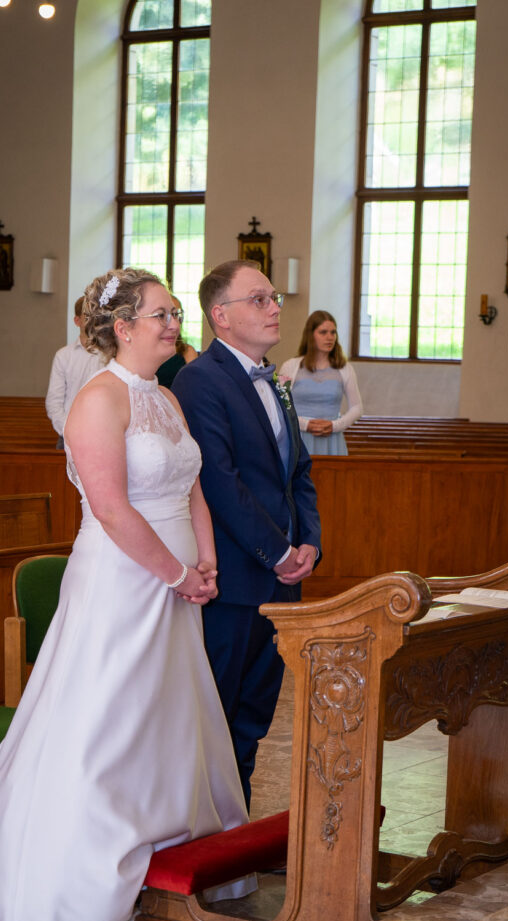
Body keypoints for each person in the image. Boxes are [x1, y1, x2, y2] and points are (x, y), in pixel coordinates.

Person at [0, 267, 250, 921]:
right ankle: (78, 880)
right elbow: (112, 509)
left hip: (178, 586)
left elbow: (192, 487)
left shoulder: (166, 399)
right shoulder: (97, 400)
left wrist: (207, 560)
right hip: (122, 582)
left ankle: (159, 844)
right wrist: (176, 573)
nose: (174, 324)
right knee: (107, 717)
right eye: (161, 314)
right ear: (122, 328)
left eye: (175, 313)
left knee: (166, 715)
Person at [172, 259, 321, 809]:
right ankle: (203, 828)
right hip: (232, 581)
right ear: (221, 315)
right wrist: (277, 552)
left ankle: (235, 825)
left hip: (280, 583)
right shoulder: (199, 380)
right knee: (216, 713)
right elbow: (218, 480)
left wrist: (309, 542)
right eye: (259, 299)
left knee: (254, 717)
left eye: (273, 297)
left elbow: (297, 472)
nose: (275, 307)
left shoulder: (276, 380)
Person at [280, 310, 363, 456]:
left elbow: (357, 407)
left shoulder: (345, 368)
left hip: (331, 438)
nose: (330, 337)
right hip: (298, 436)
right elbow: (280, 405)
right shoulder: (289, 366)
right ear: (310, 335)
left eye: (333, 332)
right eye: (323, 332)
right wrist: (305, 425)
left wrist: (334, 426)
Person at [45, 295, 104, 447]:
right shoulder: (63, 356)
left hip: (104, 434)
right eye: (88, 316)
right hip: (68, 436)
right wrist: (69, 431)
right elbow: (54, 402)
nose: (93, 321)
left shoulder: (112, 354)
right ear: (77, 321)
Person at [156, 294, 198, 388]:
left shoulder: (186, 351)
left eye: (176, 315)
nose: (173, 324)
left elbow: (193, 387)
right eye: (162, 316)